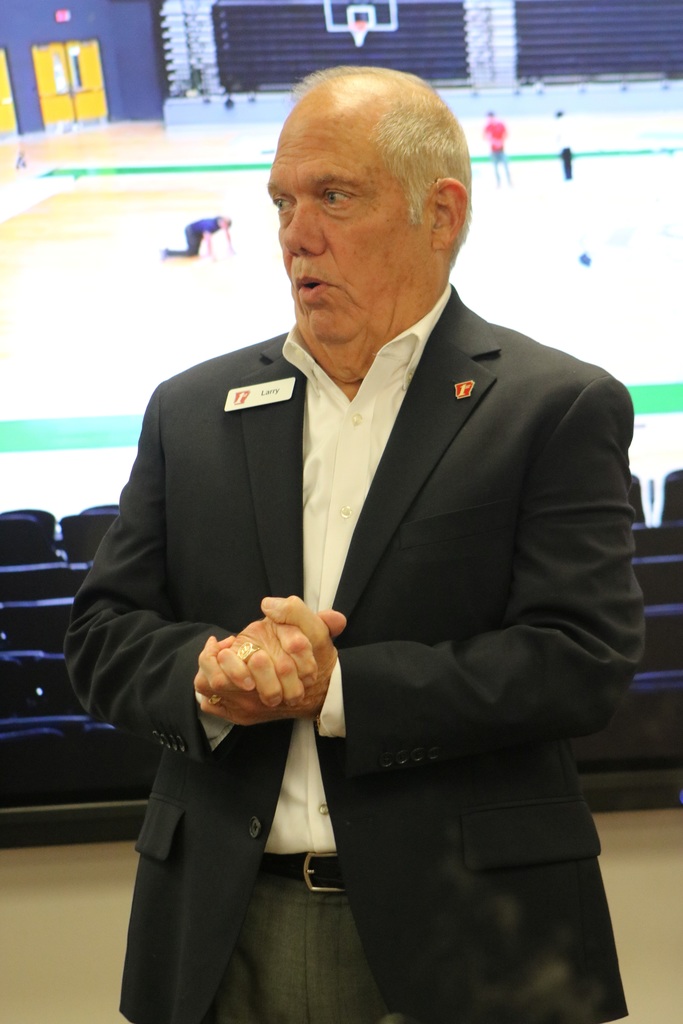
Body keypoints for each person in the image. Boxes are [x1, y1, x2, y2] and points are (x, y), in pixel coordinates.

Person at [64, 65, 644, 1024]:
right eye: (284, 200)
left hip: (473, 937)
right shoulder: (188, 410)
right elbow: (103, 634)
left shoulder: (553, 406)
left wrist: (336, 690)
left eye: (334, 196)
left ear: (441, 212)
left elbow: (579, 660)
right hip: (216, 931)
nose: (296, 233)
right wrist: (208, 675)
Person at [161, 215, 234, 260]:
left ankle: (167, 252)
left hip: (198, 233)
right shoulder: (211, 224)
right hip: (191, 231)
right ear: (223, 222)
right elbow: (208, 239)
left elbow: (227, 234)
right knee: (191, 253)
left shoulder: (220, 222)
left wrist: (230, 247)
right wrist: (210, 254)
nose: (225, 229)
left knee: (195, 253)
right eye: (225, 227)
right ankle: (167, 252)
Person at [483, 111, 512, 186]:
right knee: (496, 169)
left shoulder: (500, 125)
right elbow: (485, 136)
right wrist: (493, 141)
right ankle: (498, 183)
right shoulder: (488, 126)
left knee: (506, 167)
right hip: (493, 151)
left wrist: (501, 141)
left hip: (501, 150)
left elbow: (506, 134)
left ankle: (509, 182)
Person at [555, 110, 573, 180]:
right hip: (568, 146)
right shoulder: (568, 122)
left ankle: (567, 177)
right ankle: (569, 177)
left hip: (563, 147)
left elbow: (558, 137)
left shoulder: (559, 123)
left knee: (566, 164)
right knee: (569, 164)